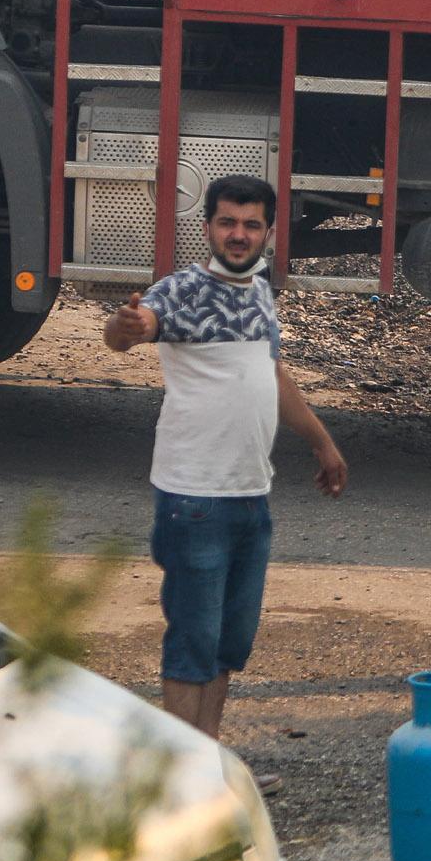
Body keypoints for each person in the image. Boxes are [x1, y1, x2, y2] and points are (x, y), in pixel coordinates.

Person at [102, 172, 348, 741]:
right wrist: (125, 326)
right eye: (228, 223)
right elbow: (129, 330)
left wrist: (321, 441)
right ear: (208, 226)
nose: (239, 234)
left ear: (268, 232)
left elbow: (272, 374)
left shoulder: (261, 288)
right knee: (192, 641)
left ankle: (207, 764)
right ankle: (180, 781)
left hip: (250, 495)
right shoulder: (181, 290)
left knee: (227, 644)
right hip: (193, 498)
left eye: (251, 225)